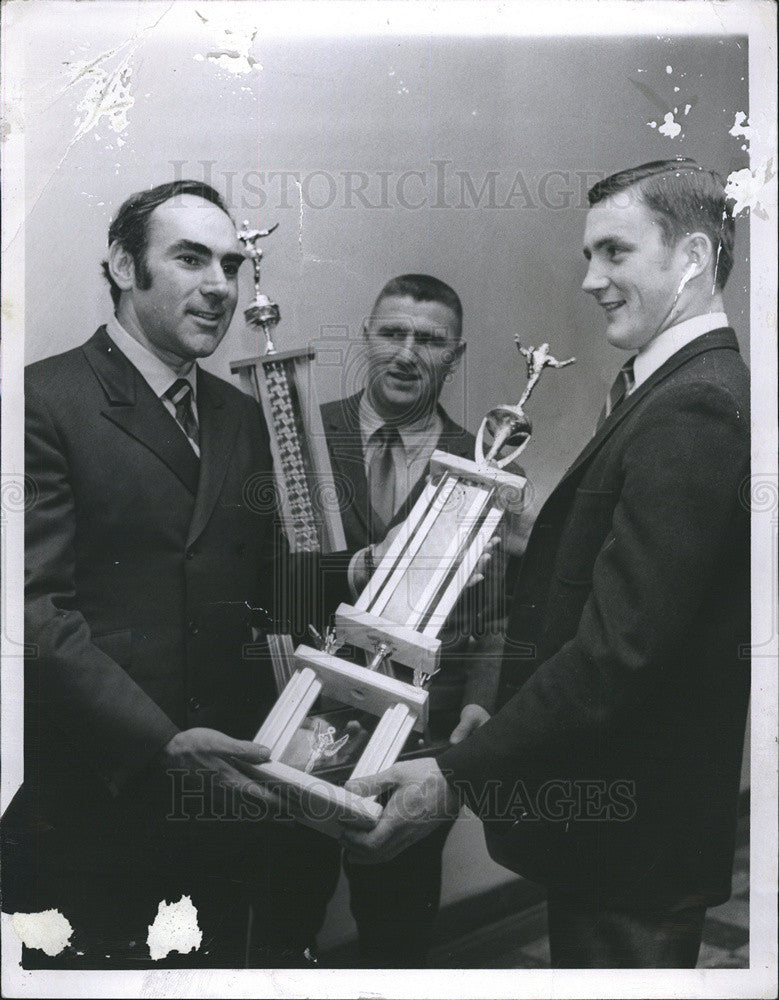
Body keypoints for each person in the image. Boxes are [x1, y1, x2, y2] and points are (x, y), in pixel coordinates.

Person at [341, 160, 750, 969]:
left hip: (631, 845)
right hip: (620, 836)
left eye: (614, 252)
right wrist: (524, 540)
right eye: (586, 257)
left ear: (694, 257)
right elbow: (642, 580)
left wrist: (454, 776)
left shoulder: (694, 405)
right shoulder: (672, 388)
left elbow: (619, 650)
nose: (591, 280)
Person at [1, 180, 341, 967]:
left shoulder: (241, 414)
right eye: (189, 259)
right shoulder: (42, 402)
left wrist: (365, 585)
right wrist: (160, 743)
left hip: (225, 792)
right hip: (94, 797)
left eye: (229, 264)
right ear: (123, 265)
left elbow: (270, 595)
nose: (220, 286)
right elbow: (33, 611)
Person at [321, 275, 511, 966]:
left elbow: (493, 613)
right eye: (391, 333)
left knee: (395, 936)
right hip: (296, 723)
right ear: (367, 338)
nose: (406, 354)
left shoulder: (484, 465)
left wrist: (482, 702)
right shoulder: (307, 438)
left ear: (453, 357)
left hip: (418, 736)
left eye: (427, 340)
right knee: (282, 915)